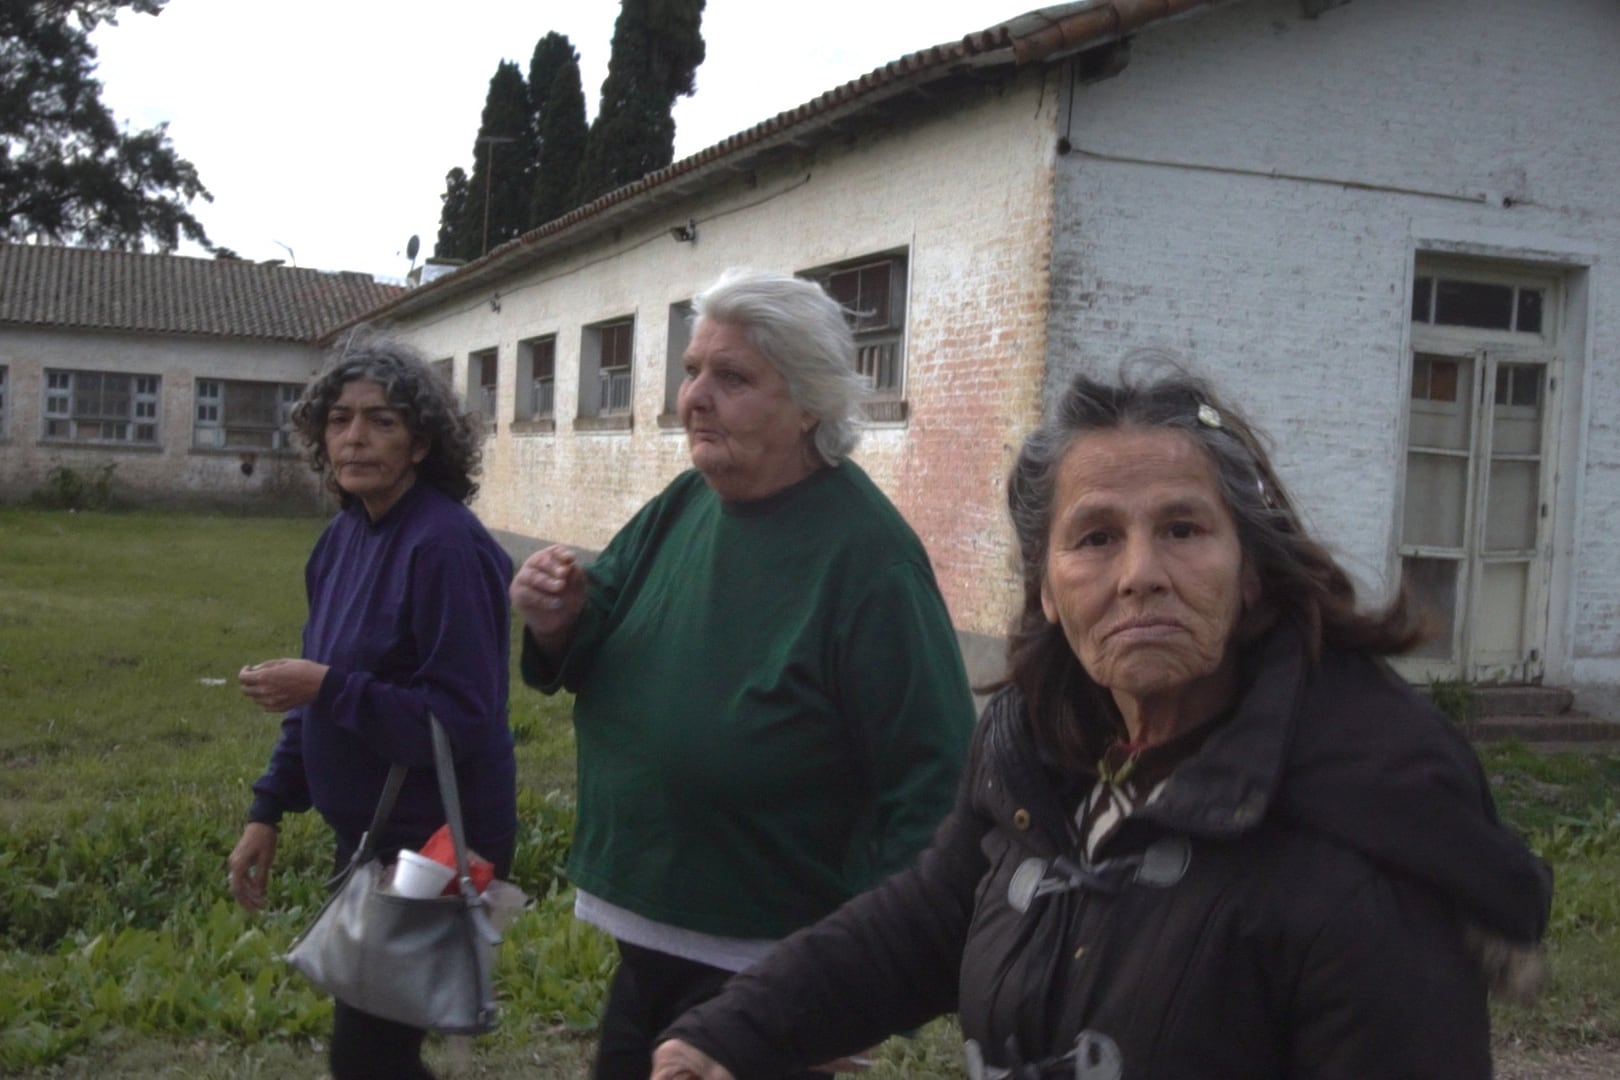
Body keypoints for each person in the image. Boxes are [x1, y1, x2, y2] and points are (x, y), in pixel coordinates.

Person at [652, 358, 1554, 1079]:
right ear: (1045, 588)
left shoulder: (1366, 845)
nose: (1140, 575)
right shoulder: (1039, 751)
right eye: (1094, 538)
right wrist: (731, 1034)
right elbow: (929, 920)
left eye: (1183, 530)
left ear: (1250, 573)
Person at [510, 268, 976, 1080]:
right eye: (693, 370)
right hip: (650, 938)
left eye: (732, 378)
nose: (695, 397)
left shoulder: (870, 560)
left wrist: (865, 985)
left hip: (769, 967)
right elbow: (598, 622)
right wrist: (557, 618)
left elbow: (934, 782)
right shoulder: (684, 503)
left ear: (809, 404)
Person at [227, 330, 517, 1080]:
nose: (354, 437)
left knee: (369, 1056)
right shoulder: (340, 539)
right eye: (340, 419)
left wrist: (326, 686)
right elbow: (315, 693)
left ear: (420, 443)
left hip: (437, 841)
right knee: (373, 1053)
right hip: (368, 836)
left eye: (381, 420)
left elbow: (461, 720)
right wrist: (268, 808)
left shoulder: (445, 547)